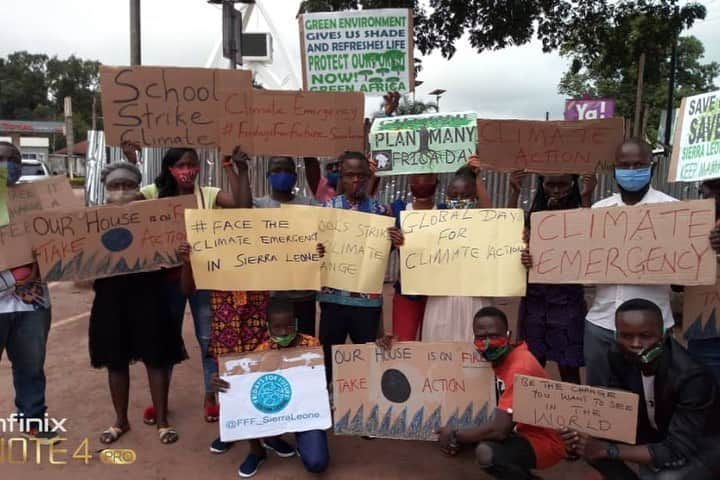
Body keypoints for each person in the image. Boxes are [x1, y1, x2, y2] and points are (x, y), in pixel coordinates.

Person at [122, 142, 249, 424]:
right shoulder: (153, 194)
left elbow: (242, 207)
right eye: (181, 165)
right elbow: (125, 209)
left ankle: (210, 395)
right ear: (170, 168)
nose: (188, 170)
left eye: (192, 164)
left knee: (208, 339)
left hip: (204, 277)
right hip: (166, 281)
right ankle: (160, 400)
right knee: (165, 339)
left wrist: (231, 167)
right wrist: (131, 161)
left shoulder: (209, 195)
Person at [176, 239, 325, 455]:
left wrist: (309, 255)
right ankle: (239, 432)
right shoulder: (209, 248)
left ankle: (270, 434)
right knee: (231, 383)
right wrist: (187, 263)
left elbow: (289, 271)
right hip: (226, 327)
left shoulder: (260, 245)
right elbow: (187, 289)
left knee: (265, 381)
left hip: (258, 328)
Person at [560, 298, 720, 479]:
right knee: (589, 444)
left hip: (700, 447)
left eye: (645, 336)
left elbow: (678, 447)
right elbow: (615, 408)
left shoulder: (691, 377)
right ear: (616, 335)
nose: (635, 344)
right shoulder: (617, 355)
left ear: (664, 335)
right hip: (656, 434)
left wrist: (609, 450)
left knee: (666, 478)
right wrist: (578, 434)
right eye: (626, 336)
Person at [89, 162, 186, 445]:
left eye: (128, 185)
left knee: (157, 357)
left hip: (149, 294)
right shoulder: (90, 220)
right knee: (114, 360)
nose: (121, 191)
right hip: (110, 297)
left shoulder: (155, 217)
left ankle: (162, 421)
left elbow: (172, 250)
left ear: (139, 189)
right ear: (105, 190)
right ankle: (120, 420)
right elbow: (78, 272)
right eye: (115, 186)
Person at [583, 138, 678, 387]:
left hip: (651, 330)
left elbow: (684, 278)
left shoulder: (674, 211)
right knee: (600, 399)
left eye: (639, 164)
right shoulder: (598, 211)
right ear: (614, 169)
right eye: (625, 165)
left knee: (651, 399)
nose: (632, 171)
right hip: (601, 324)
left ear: (652, 166)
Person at [435, 306, 565, 479]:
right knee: (470, 437)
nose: (487, 343)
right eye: (481, 337)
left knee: (486, 453)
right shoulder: (497, 359)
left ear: (508, 335)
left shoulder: (520, 367)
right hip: (516, 427)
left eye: (494, 336)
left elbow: (499, 431)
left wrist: (454, 434)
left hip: (542, 439)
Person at [211, 298, 330, 478]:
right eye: (277, 327)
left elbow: (317, 381)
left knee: (317, 463)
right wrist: (224, 381)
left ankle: (297, 439)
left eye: (289, 326)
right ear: (268, 327)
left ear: (296, 323)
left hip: (305, 411)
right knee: (248, 402)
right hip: (276, 406)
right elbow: (246, 389)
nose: (283, 333)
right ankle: (258, 449)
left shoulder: (312, 345)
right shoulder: (261, 352)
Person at [318, 151, 394, 383]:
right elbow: (315, 247)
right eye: (350, 175)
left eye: (361, 175)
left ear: (368, 177)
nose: (356, 181)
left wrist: (394, 241)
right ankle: (330, 397)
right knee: (330, 355)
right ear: (341, 175)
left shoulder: (381, 212)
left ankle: (364, 398)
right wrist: (317, 250)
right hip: (333, 300)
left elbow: (381, 256)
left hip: (367, 301)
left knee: (367, 355)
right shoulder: (327, 210)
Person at [515, 171, 596, 384]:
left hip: (567, 300)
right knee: (530, 364)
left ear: (573, 184)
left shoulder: (582, 214)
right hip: (535, 301)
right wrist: (523, 255)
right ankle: (527, 414)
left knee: (569, 367)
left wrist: (587, 197)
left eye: (563, 185)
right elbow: (508, 241)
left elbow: (592, 241)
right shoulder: (530, 218)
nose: (557, 191)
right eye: (551, 185)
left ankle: (571, 411)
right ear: (542, 185)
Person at [0, 141, 55, 444]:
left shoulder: (37, 203)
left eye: (15, 158)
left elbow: (59, 245)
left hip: (32, 303)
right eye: (2, 158)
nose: (9, 163)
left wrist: (33, 271)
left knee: (31, 366)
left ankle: (33, 420)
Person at [418, 166, 493, 342]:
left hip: (474, 299)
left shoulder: (486, 224)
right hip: (441, 301)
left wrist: (478, 175)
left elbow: (492, 215)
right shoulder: (432, 222)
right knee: (438, 350)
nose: (458, 201)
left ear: (476, 197)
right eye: (453, 196)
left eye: (465, 196)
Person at [250, 155, 320, 336]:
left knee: (305, 341)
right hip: (273, 295)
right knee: (274, 342)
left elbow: (325, 234)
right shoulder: (258, 206)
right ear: (268, 175)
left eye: (287, 171)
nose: (282, 175)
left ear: (295, 177)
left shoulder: (310, 205)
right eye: (277, 171)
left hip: (304, 293)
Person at [388, 173, 438, 341]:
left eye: (427, 175)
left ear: (437, 181)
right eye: (417, 175)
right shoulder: (399, 210)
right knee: (403, 343)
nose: (421, 181)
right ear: (409, 182)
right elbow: (382, 251)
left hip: (437, 293)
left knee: (433, 344)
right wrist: (393, 241)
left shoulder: (445, 212)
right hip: (407, 291)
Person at [692, 178, 720, 382]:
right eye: (708, 190)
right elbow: (677, 283)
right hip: (705, 328)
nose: (712, 196)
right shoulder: (692, 224)